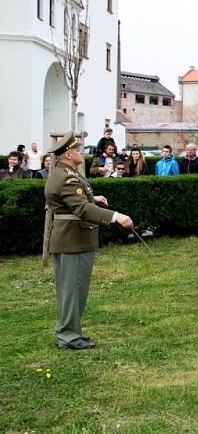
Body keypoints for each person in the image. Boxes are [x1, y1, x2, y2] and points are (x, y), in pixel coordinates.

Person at [44, 131, 133, 349]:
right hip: (73, 240)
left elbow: (76, 201)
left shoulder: (64, 172)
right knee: (73, 290)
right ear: (67, 154)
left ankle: (71, 331)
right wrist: (116, 216)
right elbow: (80, 208)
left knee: (73, 290)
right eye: (77, 149)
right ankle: (68, 335)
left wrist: (95, 198)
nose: (80, 152)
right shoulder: (67, 176)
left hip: (73, 238)